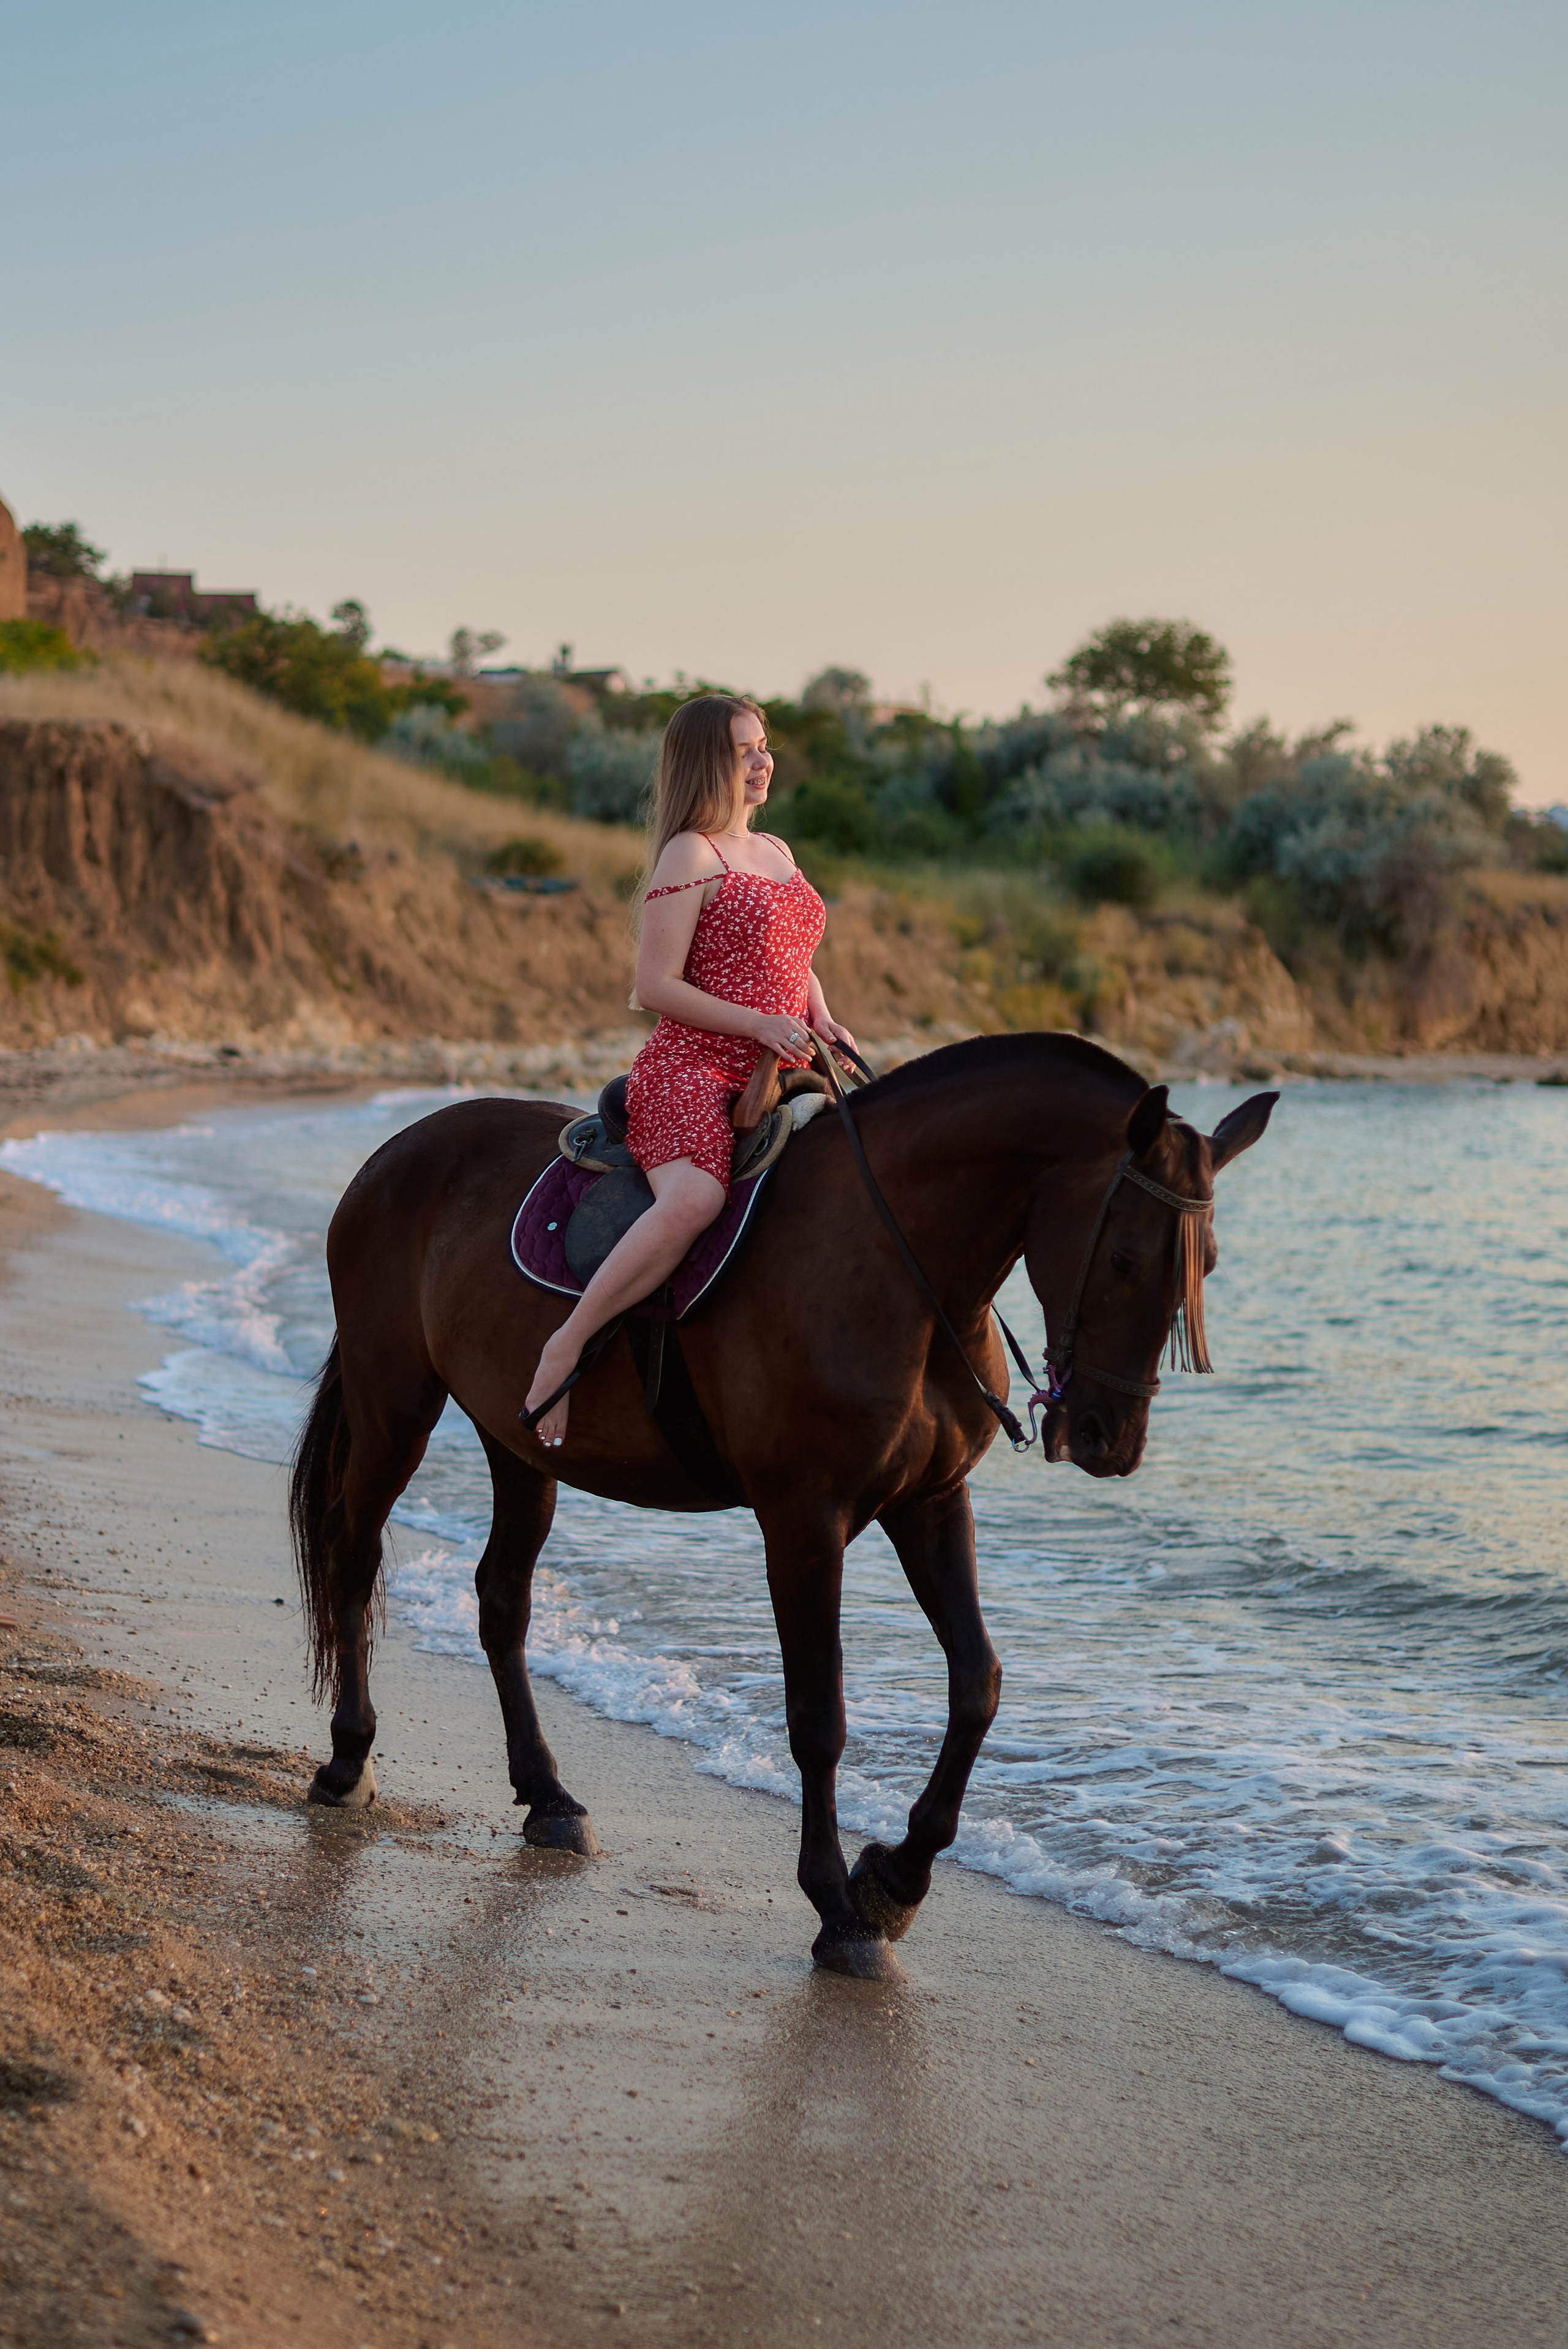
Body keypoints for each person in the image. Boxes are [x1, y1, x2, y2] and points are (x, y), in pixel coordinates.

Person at [522, 693, 856, 1447]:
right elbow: (654, 986)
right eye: (744, 750)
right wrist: (759, 1023)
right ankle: (565, 1347)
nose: (762, 761)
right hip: (692, 1069)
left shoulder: (775, 850)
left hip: (784, 1061)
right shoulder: (689, 854)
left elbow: (795, 954)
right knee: (693, 1202)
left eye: (764, 746)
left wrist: (820, 1013)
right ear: (708, 762)